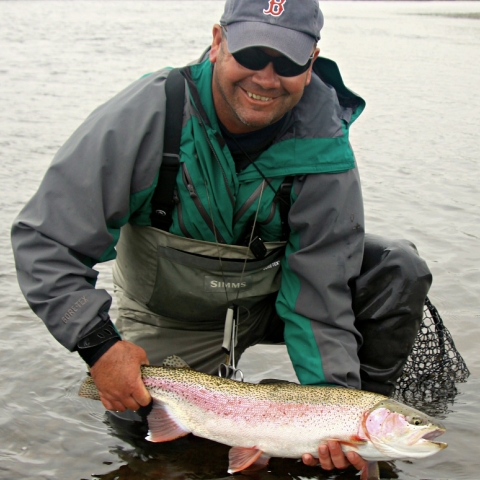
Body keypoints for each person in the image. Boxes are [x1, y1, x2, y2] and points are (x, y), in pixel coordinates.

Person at [11, 0, 432, 474]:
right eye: (251, 55)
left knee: (396, 267)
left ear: (312, 62)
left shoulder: (323, 142)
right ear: (217, 43)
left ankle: (365, 433)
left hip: (267, 301)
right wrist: (98, 345)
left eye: (288, 62)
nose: (266, 78)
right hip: (171, 314)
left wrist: (338, 414)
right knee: (151, 440)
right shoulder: (148, 114)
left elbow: (321, 289)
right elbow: (46, 242)